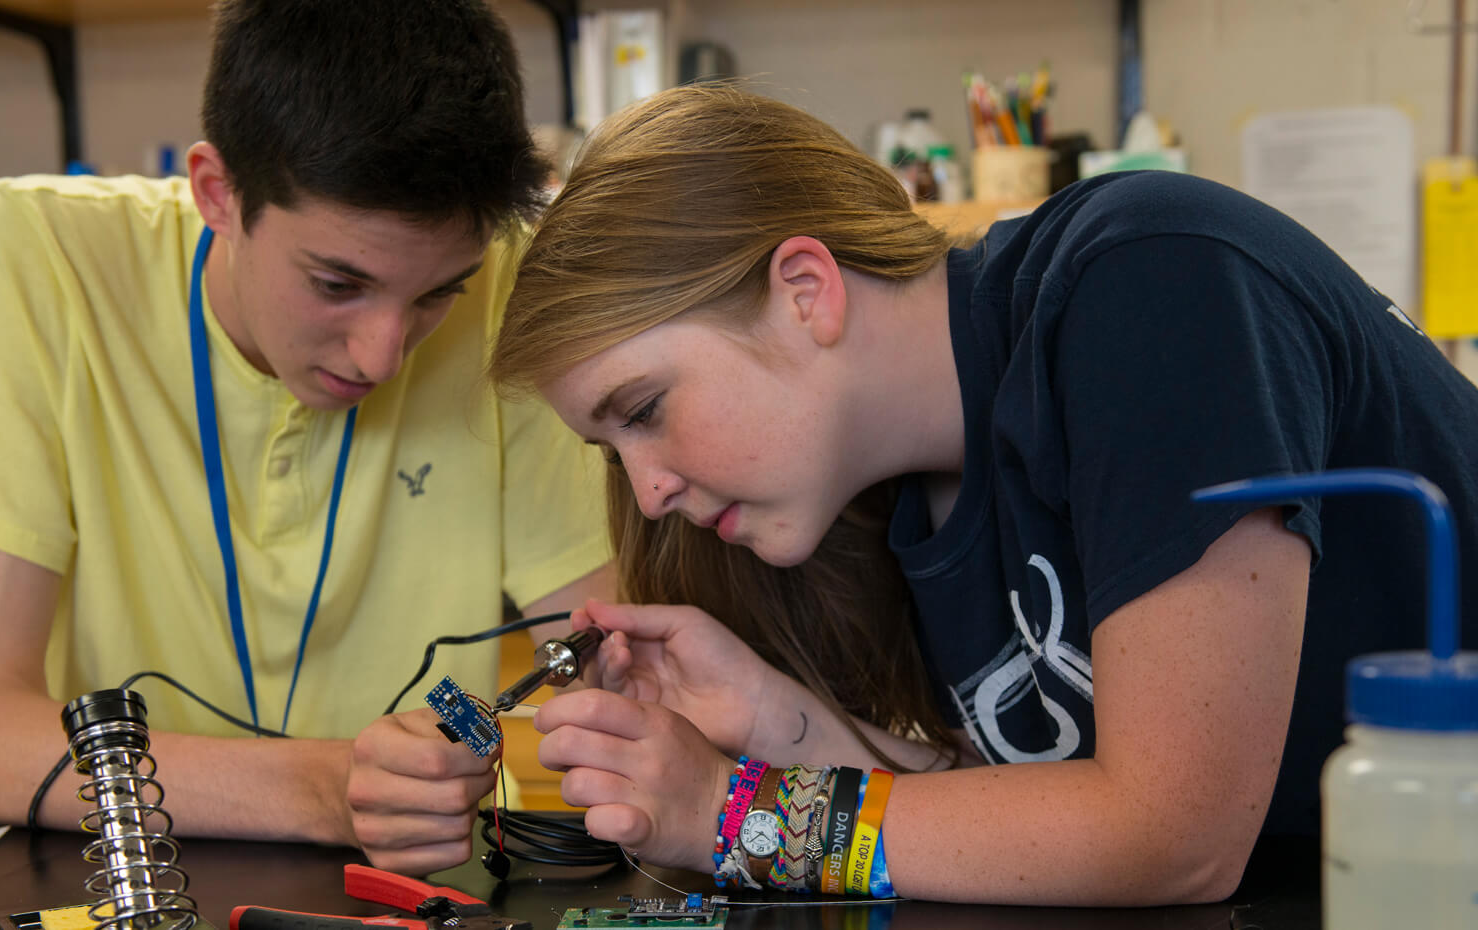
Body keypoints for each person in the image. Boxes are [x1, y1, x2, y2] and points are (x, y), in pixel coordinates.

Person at [486, 84, 1478, 904]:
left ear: (804, 290)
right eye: (610, 451)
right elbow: (1027, 822)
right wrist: (774, 725)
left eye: (646, 409)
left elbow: (1172, 837)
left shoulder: (1147, 279)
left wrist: (733, 812)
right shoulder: (909, 502)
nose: (648, 493)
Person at [0, 0, 613, 875]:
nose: (383, 355)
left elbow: (614, 652)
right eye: (338, 283)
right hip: (120, 882)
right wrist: (323, 788)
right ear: (218, 192)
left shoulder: (508, 282)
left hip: (419, 889)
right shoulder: (43, 258)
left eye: (438, 293)